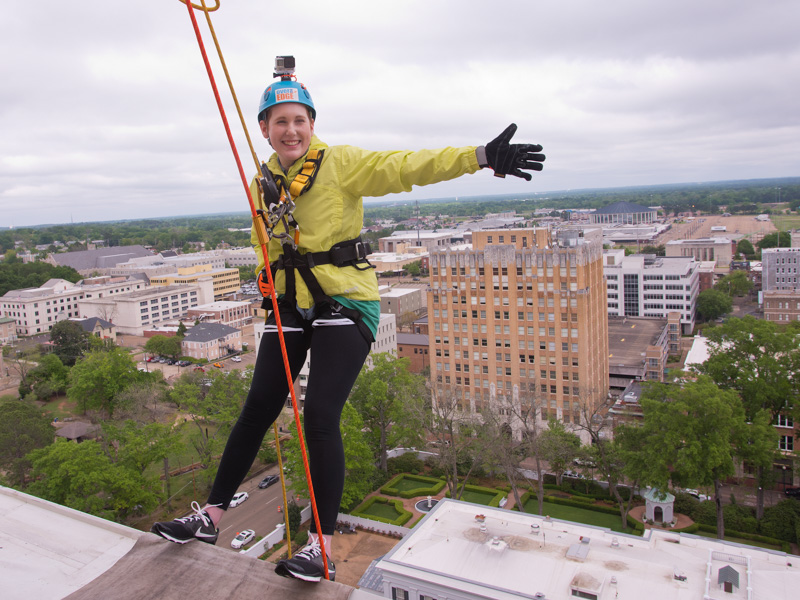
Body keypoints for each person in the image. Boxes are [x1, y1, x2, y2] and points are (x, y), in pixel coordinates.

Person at [151, 57, 545, 583]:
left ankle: (322, 546)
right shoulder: (262, 183)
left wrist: (479, 156)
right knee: (257, 408)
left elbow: (407, 166)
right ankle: (211, 516)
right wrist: (269, 281)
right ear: (264, 130)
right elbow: (262, 244)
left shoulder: (341, 164)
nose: (290, 130)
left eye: (299, 120)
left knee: (318, 415)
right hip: (291, 303)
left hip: (346, 301)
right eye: (280, 121)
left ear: (311, 124)